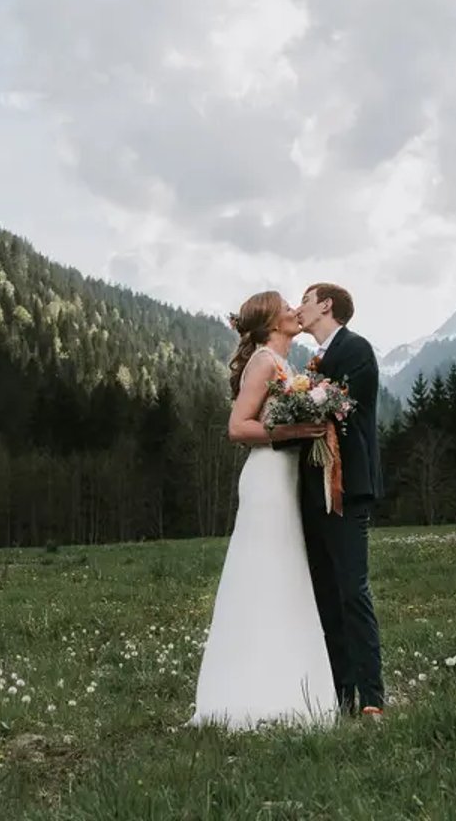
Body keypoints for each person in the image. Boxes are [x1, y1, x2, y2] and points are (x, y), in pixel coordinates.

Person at [186, 290, 336, 731]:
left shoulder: (286, 365)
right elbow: (238, 427)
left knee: (287, 572)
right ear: (272, 323)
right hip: (267, 479)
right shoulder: (264, 362)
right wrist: (293, 431)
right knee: (264, 571)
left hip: (286, 479)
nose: (294, 311)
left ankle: (288, 685)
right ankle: (246, 692)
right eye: (287, 307)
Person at [294, 282, 384, 718]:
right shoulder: (315, 361)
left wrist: (295, 403)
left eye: (305, 300)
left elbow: (341, 408)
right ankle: (341, 696)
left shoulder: (355, 350)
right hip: (315, 491)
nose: (299, 308)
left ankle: (372, 698)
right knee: (326, 595)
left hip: (346, 488)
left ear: (326, 306)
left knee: (352, 592)